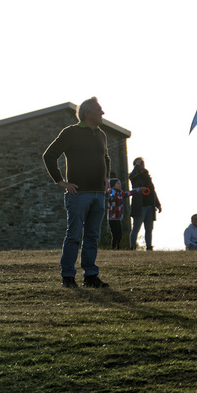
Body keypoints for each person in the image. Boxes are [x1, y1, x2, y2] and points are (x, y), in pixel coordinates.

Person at [42, 97, 113, 288]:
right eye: (99, 110)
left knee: (92, 236)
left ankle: (90, 276)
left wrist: (106, 178)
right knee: (74, 236)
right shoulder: (70, 133)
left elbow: (105, 157)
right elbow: (48, 156)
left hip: (99, 194)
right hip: (78, 195)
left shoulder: (101, 135)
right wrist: (60, 181)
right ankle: (68, 277)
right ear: (87, 113)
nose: (102, 114)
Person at [128, 157, 162, 251]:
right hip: (140, 206)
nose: (143, 165)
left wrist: (158, 204)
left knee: (149, 228)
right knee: (136, 228)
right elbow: (132, 177)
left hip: (150, 205)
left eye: (143, 163)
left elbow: (152, 190)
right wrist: (136, 166)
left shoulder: (146, 174)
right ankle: (133, 246)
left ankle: (149, 246)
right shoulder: (134, 175)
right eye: (140, 163)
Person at [105, 179, 129, 250]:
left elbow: (129, 193)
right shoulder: (111, 193)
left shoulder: (121, 193)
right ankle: (114, 248)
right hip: (112, 218)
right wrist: (108, 191)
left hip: (118, 218)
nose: (120, 185)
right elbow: (107, 195)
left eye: (120, 183)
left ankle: (117, 247)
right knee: (115, 235)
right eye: (118, 183)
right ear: (113, 185)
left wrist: (139, 189)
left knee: (120, 235)